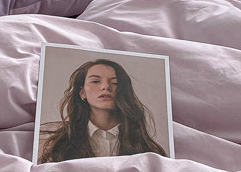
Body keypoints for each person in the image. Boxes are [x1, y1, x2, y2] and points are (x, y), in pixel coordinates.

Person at [38, 59, 168, 163]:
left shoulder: (147, 149)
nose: (106, 87)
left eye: (115, 83)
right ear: (82, 93)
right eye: (95, 81)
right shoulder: (54, 142)